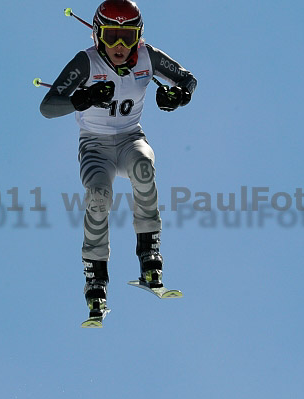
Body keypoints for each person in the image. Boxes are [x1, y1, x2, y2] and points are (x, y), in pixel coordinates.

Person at [40, 0, 197, 319]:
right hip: (95, 145)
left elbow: (187, 80)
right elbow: (48, 106)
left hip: (129, 138)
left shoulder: (148, 57)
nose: (120, 46)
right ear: (98, 35)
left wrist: (178, 97)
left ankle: (149, 251)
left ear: (139, 36)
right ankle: (95, 275)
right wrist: (81, 98)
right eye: (112, 35)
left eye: (128, 37)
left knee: (143, 167)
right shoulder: (86, 62)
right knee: (99, 196)